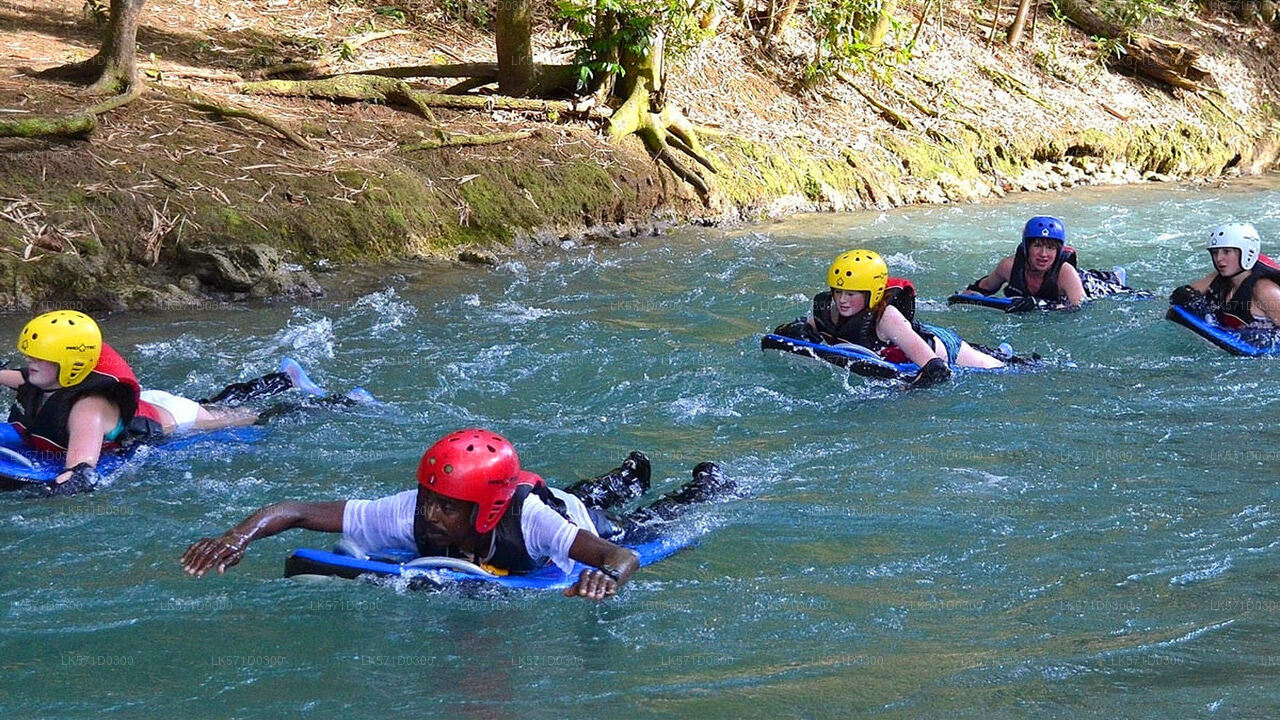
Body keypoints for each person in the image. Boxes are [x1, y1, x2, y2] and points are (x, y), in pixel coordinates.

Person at [182, 428, 733, 601]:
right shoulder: (411, 512)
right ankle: (627, 472)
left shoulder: (532, 521)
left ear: (487, 509)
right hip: (539, 496)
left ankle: (704, 485)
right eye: (430, 498)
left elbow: (621, 555)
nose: (432, 513)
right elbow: (296, 510)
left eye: (447, 506)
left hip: (568, 518)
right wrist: (238, 537)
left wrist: (604, 577)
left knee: (643, 520)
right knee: (585, 489)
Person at [1, 310, 324, 496]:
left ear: (69, 365)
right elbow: (16, 377)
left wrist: (54, 490)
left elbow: (82, 468)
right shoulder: (43, 377)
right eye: (30, 357)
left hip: (173, 419)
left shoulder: (87, 410)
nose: (29, 363)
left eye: (39, 359)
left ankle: (336, 401)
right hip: (149, 403)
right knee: (213, 404)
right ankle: (283, 379)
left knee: (244, 417)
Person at [802, 249, 1004, 387]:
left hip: (943, 348)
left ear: (871, 293)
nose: (842, 301)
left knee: (1001, 368)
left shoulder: (886, 317)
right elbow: (805, 327)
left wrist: (910, 390)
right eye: (838, 292)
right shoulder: (832, 310)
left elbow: (936, 369)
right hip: (908, 336)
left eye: (851, 294)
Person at [960, 216, 1087, 311]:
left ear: (1058, 251)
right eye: (1037, 246)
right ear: (1027, 247)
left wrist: (1040, 305)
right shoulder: (1008, 266)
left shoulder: (1066, 273)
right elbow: (984, 287)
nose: (1043, 254)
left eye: (1050, 248)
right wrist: (964, 297)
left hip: (1092, 285)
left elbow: (1079, 307)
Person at [1170, 222, 1280, 329]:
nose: (1218, 258)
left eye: (1226, 251)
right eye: (1215, 252)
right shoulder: (1221, 275)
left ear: (1247, 252)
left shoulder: (1266, 291)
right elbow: (1184, 294)